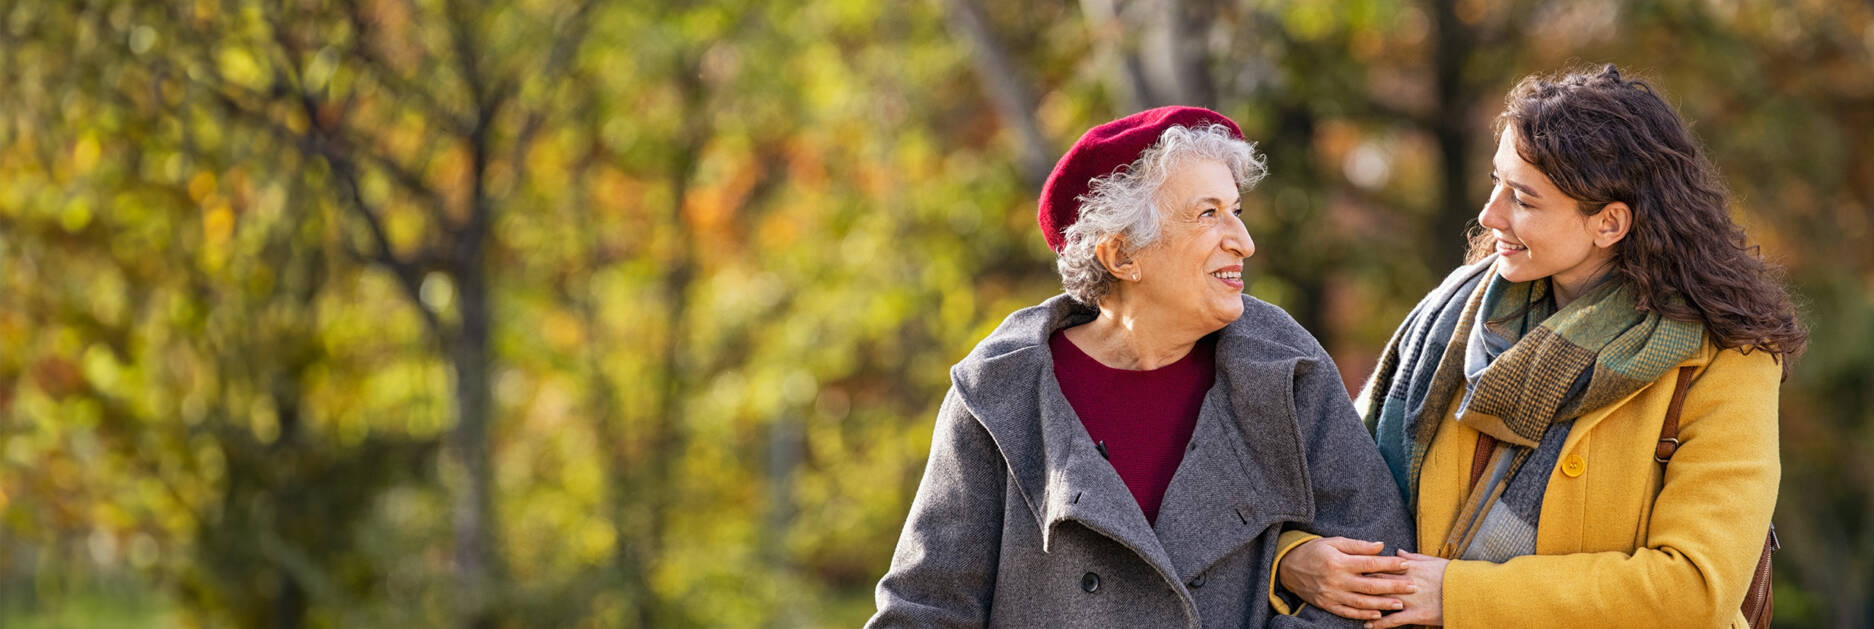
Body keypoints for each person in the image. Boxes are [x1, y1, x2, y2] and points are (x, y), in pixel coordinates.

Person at [1275, 65, 1804, 628]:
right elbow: (1334, 487)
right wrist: (1292, 558)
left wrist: (1460, 596)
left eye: (1523, 199)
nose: (1489, 215)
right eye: (1496, 182)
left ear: (1609, 223)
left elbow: (1694, 587)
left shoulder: (1726, 360)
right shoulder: (1451, 323)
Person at [866, 106, 1412, 627]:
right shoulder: (1000, 392)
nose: (1243, 242)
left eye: (1236, 211)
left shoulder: (1283, 365)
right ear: (1122, 256)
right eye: (1208, 215)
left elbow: (1377, 557)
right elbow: (927, 608)